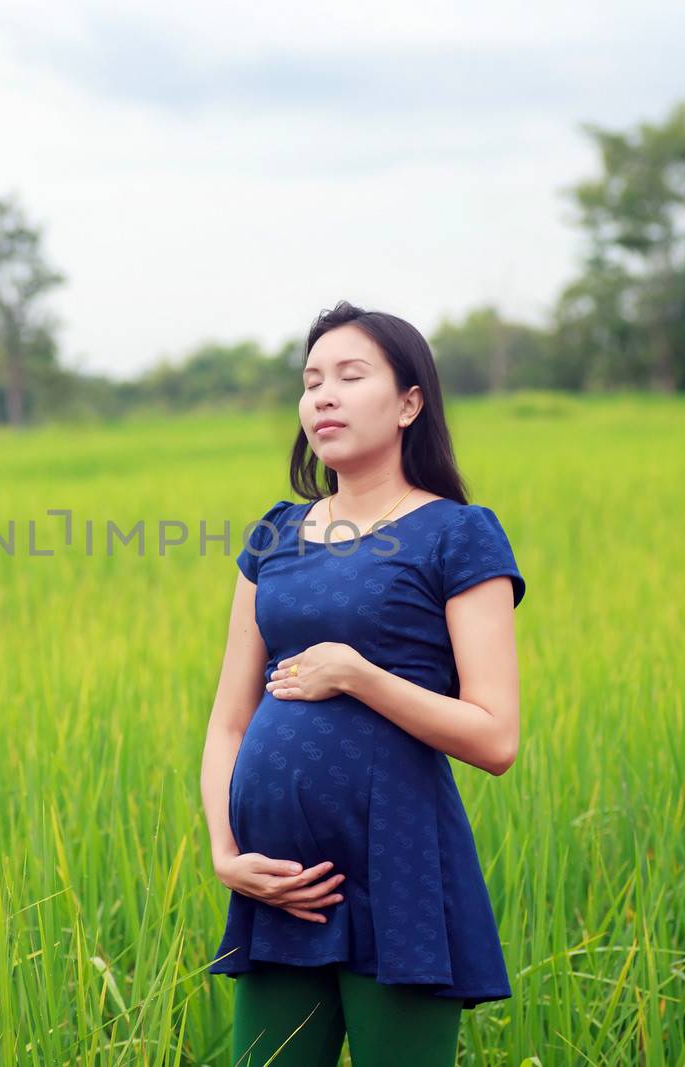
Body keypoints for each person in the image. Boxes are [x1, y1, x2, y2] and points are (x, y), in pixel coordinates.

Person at [199, 300, 528, 1066]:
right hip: (280, 882)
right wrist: (226, 852)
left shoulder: (457, 533)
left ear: (410, 402)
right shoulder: (275, 534)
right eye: (312, 380)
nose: (324, 396)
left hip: (400, 870)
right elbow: (229, 722)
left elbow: (495, 736)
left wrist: (358, 673)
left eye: (351, 375)